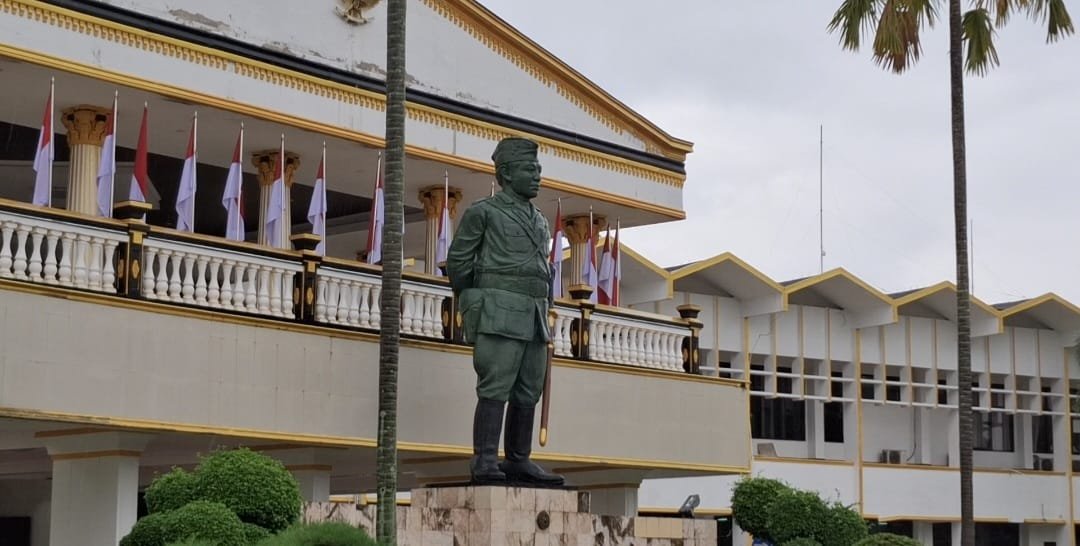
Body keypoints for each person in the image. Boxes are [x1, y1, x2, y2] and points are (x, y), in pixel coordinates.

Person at [446, 137, 564, 486]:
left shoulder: (540, 220)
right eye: (530, 169)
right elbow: (459, 262)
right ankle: (484, 459)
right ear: (508, 174)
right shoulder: (484, 212)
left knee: (529, 388)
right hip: (499, 310)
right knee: (495, 385)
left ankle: (518, 458)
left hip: (534, 314)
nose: (537, 175)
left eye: (538, 169)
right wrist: (477, 299)